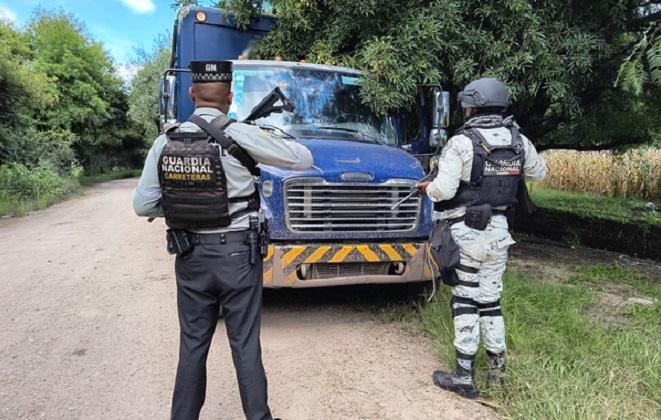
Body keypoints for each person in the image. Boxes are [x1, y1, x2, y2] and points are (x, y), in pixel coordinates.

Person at [133, 60, 313, 420]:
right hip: (237, 255)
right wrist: (266, 135)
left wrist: (181, 198)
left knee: (193, 345)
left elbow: (143, 205)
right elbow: (303, 158)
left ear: (191, 93)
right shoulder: (241, 135)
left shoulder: (164, 142)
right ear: (229, 97)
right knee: (245, 345)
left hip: (191, 256)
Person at [417, 78, 546, 399]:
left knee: (464, 299)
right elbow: (538, 173)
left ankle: (463, 375)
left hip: (465, 232)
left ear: (472, 106)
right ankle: (497, 373)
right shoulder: (519, 140)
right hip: (500, 234)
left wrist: (427, 188)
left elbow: (444, 190)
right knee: (490, 301)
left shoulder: (461, 142)